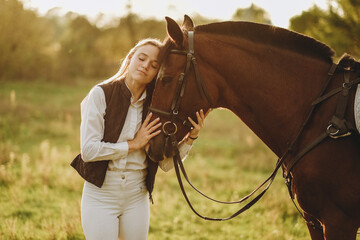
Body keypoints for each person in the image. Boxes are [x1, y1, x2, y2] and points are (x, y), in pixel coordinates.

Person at [70, 38, 207, 240]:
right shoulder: (100, 94)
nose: (145, 66)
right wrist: (133, 145)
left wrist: (190, 138)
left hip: (137, 197)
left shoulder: (156, 107)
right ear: (130, 58)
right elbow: (89, 151)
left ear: (157, 73)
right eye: (142, 58)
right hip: (101, 196)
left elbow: (166, 165)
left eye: (153, 65)